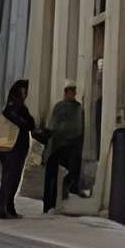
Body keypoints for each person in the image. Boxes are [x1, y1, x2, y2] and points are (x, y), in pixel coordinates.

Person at [0, 80, 40, 219]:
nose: (25, 94)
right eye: (23, 91)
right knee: (9, 178)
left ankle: (9, 208)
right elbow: (26, 124)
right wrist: (27, 122)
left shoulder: (20, 107)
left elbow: (30, 123)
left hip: (17, 147)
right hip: (11, 148)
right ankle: (4, 209)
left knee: (13, 178)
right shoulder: (12, 107)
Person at [40, 84, 86, 213]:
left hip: (70, 146)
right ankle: (48, 205)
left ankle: (59, 200)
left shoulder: (77, 108)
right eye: (71, 93)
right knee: (51, 176)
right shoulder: (59, 106)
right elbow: (53, 124)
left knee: (67, 174)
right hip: (56, 145)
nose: (72, 95)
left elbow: (77, 128)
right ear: (66, 93)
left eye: (74, 93)